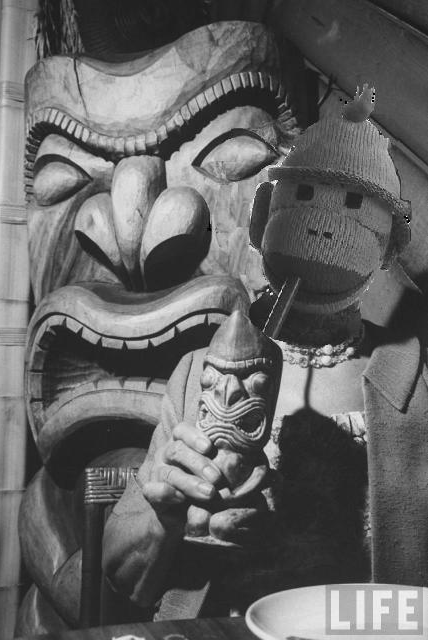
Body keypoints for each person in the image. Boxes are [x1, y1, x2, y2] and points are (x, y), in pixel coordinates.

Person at [103, 87, 428, 617]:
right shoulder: (202, 373)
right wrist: (162, 512)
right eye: (303, 196)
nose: (322, 224)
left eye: (353, 206)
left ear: (389, 247)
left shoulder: (414, 382)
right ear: (261, 223)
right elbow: (121, 573)